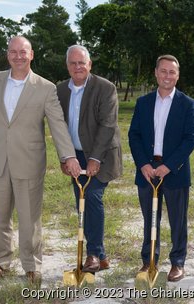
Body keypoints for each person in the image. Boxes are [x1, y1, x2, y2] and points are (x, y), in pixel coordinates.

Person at [0, 36, 81, 284]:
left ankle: (32, 265)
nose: (18, 56)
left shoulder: (45, 87)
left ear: (31, 54)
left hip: (30, 161)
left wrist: (68, 156)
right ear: (7, 55)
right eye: (13, 52)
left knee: (29, 216)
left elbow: (57, 125)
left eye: (23, 52)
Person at [128, 54, 194, 282]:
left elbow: (190, 139)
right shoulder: (143, 102)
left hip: (174, 171)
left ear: (177, 76)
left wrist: (168, 166)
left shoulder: (187, 104)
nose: (167, 76)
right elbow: (134, 135)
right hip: (148, 170)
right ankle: (149, 260)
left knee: (178, 220)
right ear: (156, 73)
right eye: (163, 71)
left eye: (172, 72)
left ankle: (177, 262)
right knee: (150, 218)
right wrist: (143, 165)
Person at [57, 45, 123, 273]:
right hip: (75, 155)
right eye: (73, 63)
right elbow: (58, 126)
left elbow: (107, 125)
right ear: (67, 66)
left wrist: (95, 158)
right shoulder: (60, 90)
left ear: (89, 64)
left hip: (101, 155)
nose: (78, 67)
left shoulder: (105, 88)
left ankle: (93, 253)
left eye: (81, 63)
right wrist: (65, 157)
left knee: (92, 198)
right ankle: (101, 257)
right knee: (81, 202)